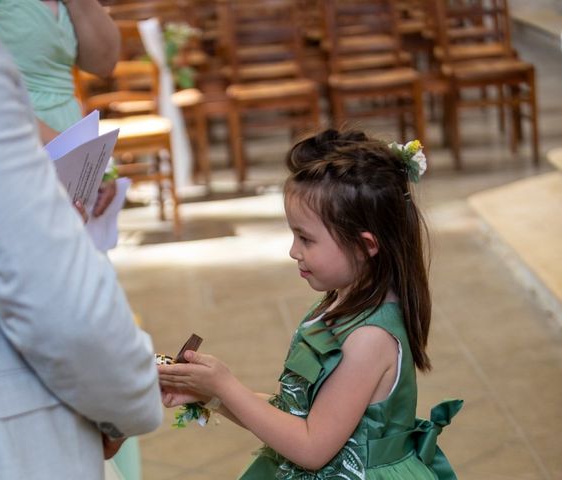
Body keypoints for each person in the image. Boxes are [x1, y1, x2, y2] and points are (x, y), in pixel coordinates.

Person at [0, 2, 162, 479]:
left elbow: (103, 57)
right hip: (27, 154)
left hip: (61, 146)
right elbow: (61, 306)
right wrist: (131, 403)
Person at [158, 129, 463, 479]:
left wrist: (225, 385)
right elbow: (292, 418)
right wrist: (209, 394)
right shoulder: (338, 304)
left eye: (305, 238)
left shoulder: (369, 338)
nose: (293, 251)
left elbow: (312, 447)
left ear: (365, 245)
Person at [0, 0, 120, 218]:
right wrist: (70, 155)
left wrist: (95, 169)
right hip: (19, 145)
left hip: (67, 137)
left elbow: (104, 63)